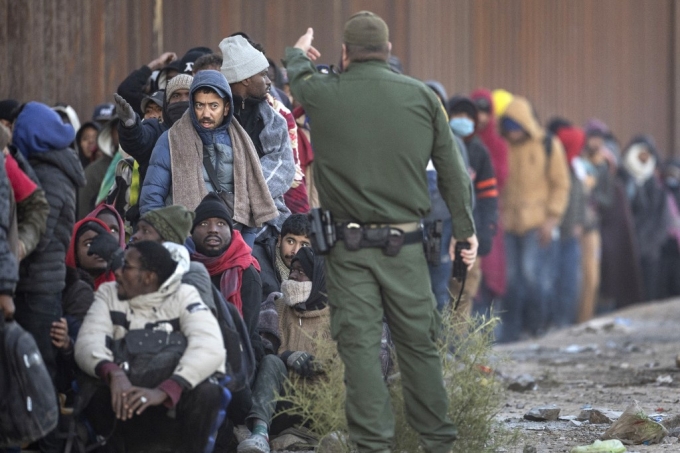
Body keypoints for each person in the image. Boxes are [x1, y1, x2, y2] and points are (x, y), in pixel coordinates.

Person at [284, 12, 477, 452]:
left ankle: (373, 446)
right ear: (388, 52)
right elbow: (453, 173)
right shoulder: (423, 98)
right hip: (406, 248)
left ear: (346, 54)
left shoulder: (322, 93)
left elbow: (295, 71)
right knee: (420, 346)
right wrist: (465, 232)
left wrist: (299, 49)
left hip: (348, 252)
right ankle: (438, 443)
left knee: (361, 350)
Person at [74, 241, 226, 453]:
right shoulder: (108, 293)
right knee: (92, 383)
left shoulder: (184, 295)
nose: (117, 271)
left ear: (148, 277)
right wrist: (114, 374)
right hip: (122, 394)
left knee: (207, 392)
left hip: (166, 397)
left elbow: (211, 346)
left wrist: (167, 390)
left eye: (126, 266)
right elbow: (89, 339)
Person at [11, 101, 86, 452]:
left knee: (37, 374)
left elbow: (36, 236)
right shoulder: (47, 166)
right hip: (36, 286)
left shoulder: (51, 175)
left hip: (36, 289)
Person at [139, 69, 278, 239]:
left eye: (213, 106)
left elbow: (251, 209)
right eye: (200, 105)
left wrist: (243, 252)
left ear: (226, 108)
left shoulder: (242, 143)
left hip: (232, 243)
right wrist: (168, 243)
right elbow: (151, 199)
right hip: (184, 241)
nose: (206, 114)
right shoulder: (170, 140)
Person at [238, 247, 327, 453]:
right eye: (292, 270)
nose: (293, 276)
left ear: (319, 278)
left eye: (301, 272)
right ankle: (260, 434)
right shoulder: (279, 307)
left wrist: (313, 363)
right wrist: (287, 356)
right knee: (271, 362)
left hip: (320, 403)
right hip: (282, 401)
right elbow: (262, 353)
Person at [496, 96, 570, 342]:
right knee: (511, 280)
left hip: (536, 223)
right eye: (508, 127)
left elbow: (561, 184)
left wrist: (552, 219)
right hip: (507, 223)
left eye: (516, 127)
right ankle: (513, 332)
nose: (512, 132)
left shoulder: (548, 144)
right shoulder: (502, 145)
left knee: (533, 277)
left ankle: (537, 326)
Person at [219, 35, 296, 234]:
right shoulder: (214, 117)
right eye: (263, 75)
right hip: (220, 221)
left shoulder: (274, 121)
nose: (269, 81)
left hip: (269, 222)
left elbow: (284, 168)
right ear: (246, 78)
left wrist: (244, 201)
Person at [189, 192, 265, 360]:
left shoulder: (246, 272)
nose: (213, 230)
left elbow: (244, 331)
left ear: (231, 232)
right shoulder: (184, 268)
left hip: (238, 357)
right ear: (192, 232)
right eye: (204, 223)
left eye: (221, 223)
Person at [447, 96, 498, 316]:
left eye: (468, 116)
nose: (463, 120)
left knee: (464, 291)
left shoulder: (479, 152)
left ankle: (456, 346)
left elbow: (488, 197)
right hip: (443, 230)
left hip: (470, 233)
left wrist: (486, 229)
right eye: (458, 115)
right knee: (441, 291)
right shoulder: (440, 146)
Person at [618, 135, 669, 302]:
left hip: (649, 251)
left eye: (648, 154)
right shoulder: (622, 179)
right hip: (624, 249)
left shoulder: (655, 185)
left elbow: (661, 219)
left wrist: (650, 243)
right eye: (641, 153)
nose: (644, 157)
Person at [252, 214, 311, 302]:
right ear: (279, 240)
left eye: (304, 245)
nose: (295, 251)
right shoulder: (255, 261)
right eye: (290, 241)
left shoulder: (313, 273)